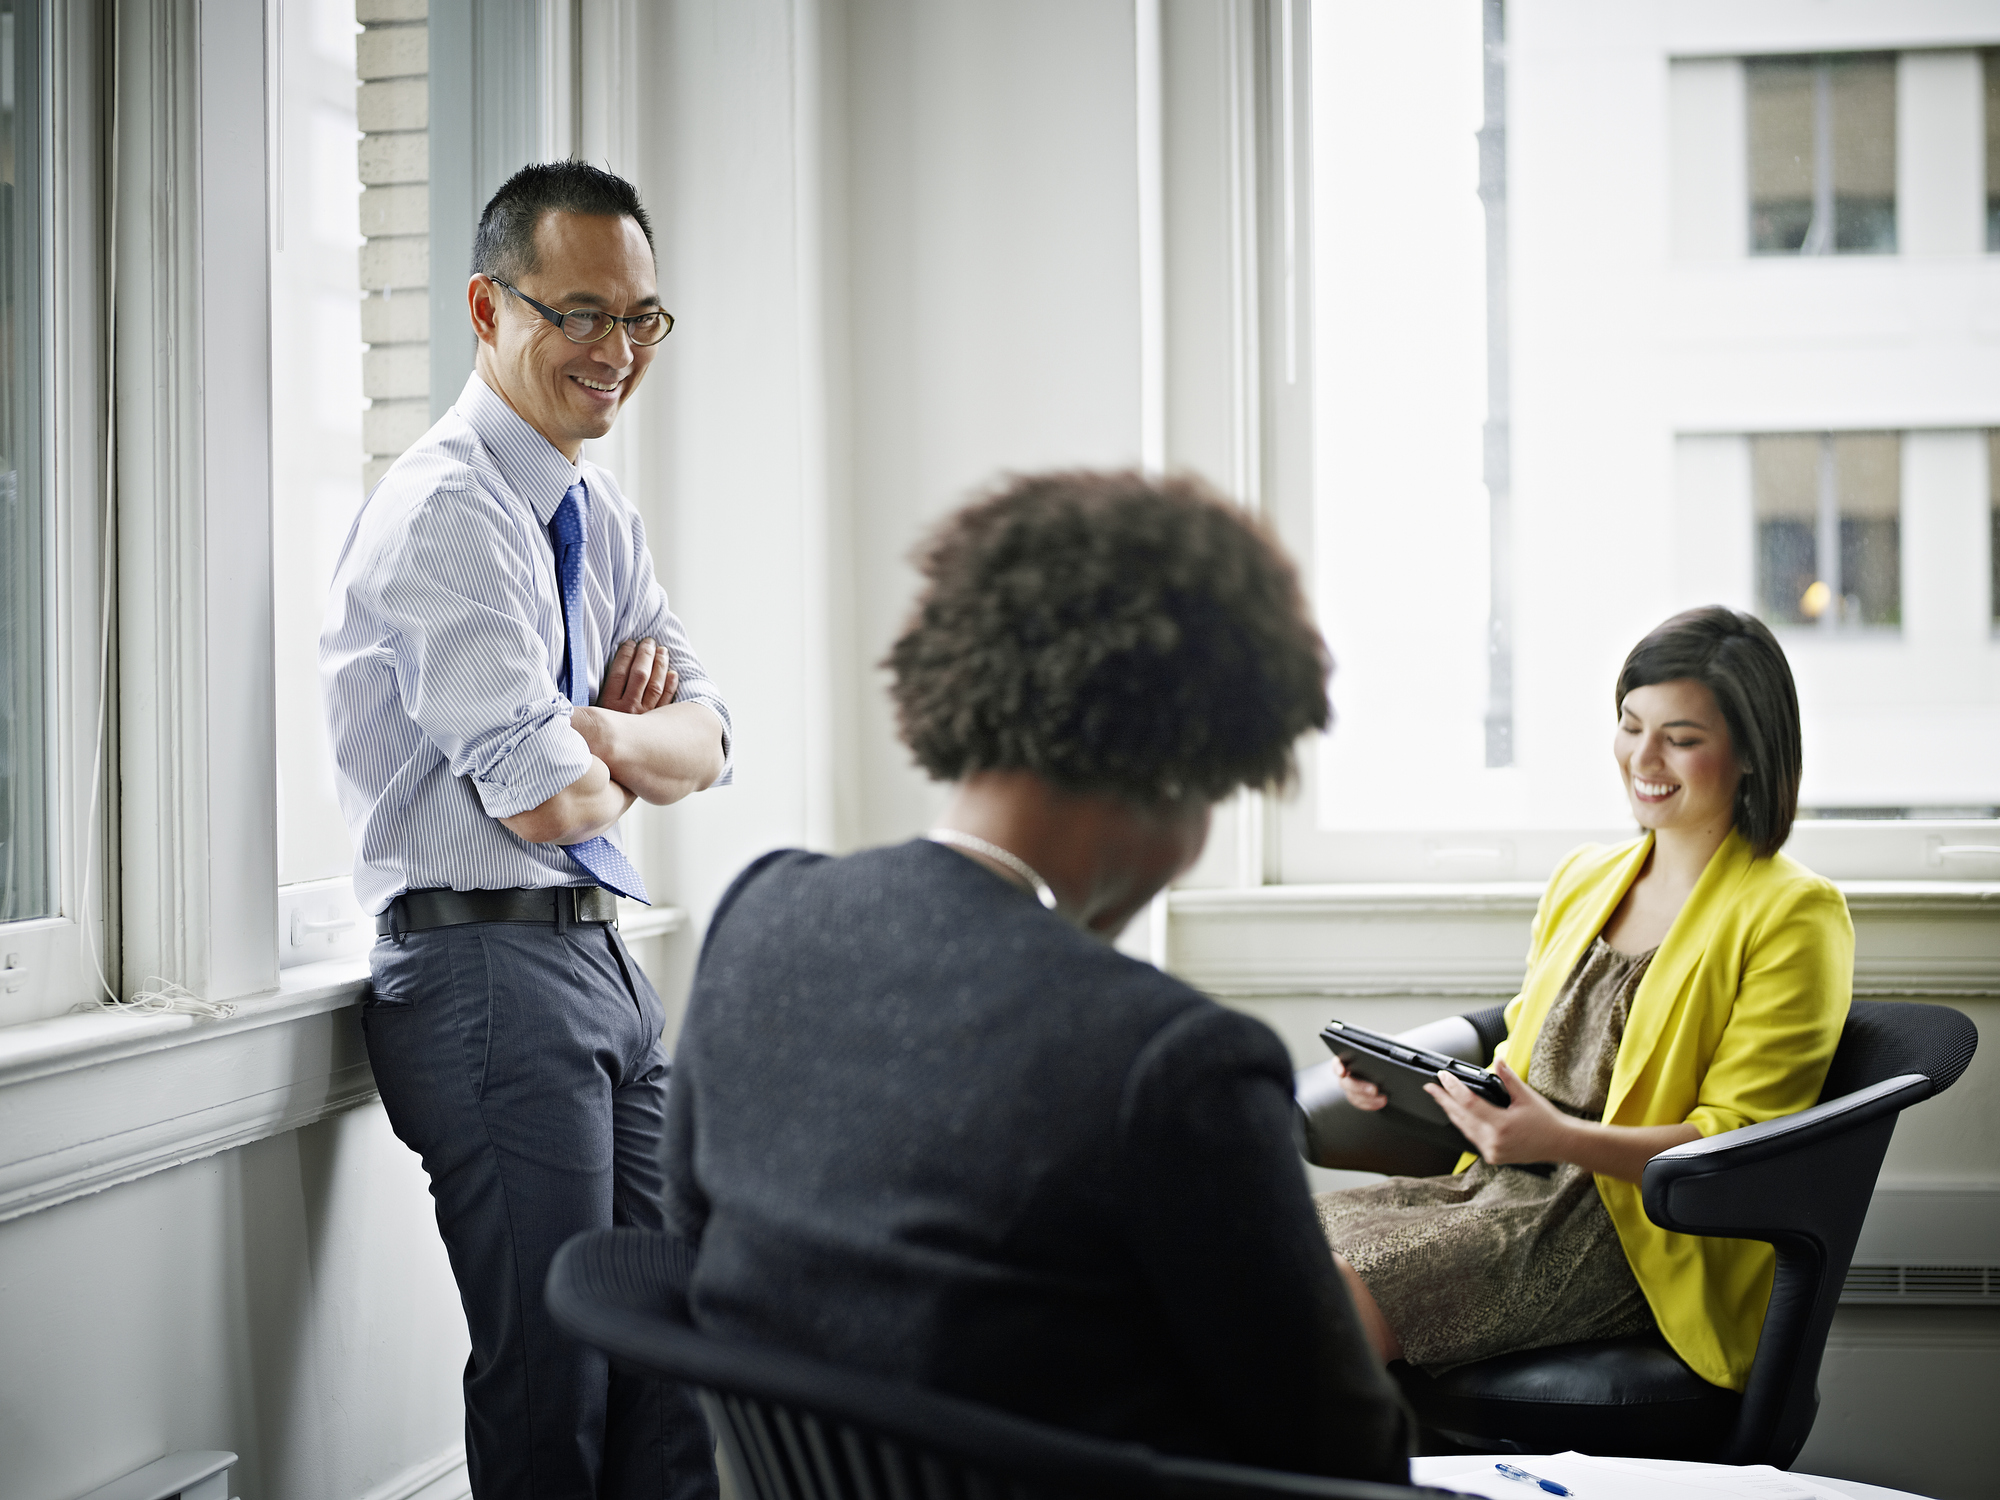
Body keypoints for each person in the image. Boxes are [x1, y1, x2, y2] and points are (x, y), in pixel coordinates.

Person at [657, 470, 1414, 1483]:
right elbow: (1346, 1454)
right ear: (1179, 766)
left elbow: (691, 1255)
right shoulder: (1173, 1059)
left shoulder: (764, 914)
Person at [321, 162, 728, 1500]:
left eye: (643, 321)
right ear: (487, 308)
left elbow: (711, 736)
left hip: (603, 959)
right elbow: (542, 804)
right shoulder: (449, 511)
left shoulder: (594, 509)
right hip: (482, 973)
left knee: (670, 1357)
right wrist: (604, 750)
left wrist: (601, 731)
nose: (617, 354)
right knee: (555, 1377)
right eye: (582, 315)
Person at [1315, 606, 1853, 1395]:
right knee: (1258, 1251)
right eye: (1631, 725)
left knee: (1321, 1305)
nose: (1644, 756)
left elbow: (1737, 1143)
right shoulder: (1584, 880)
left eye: (1682, 737)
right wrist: (1407, 1100)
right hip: (1495, 1192)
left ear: (1749, 754)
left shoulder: (1793, 914)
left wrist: (1563, 1137)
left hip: (1626, 1236)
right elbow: (1533, 1064)